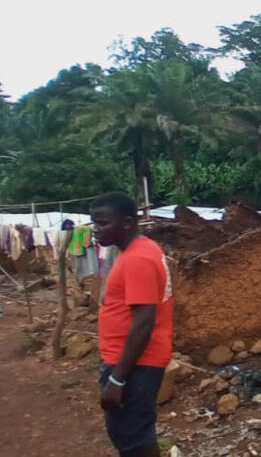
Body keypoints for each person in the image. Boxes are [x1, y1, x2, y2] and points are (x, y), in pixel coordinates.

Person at [91, 192, 173, 457]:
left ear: (127, 222)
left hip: (135, 364)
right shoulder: (140, 250)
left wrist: (117, 379)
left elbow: (143, 322)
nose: (96, 230)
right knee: (132, 435)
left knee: (133, 438)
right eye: (94, 223)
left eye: (103, 223)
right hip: (134, 362)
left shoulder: (137, 259)